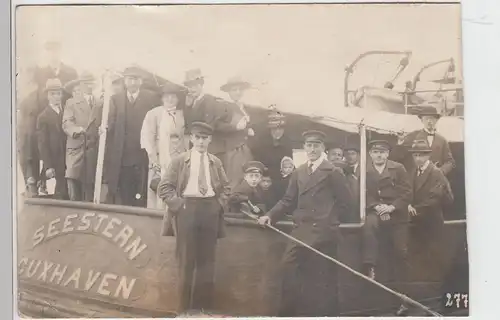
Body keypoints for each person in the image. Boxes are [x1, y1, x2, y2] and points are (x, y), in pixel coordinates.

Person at [258, 130, 352, 317]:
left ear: (323, 148)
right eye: (309, 145)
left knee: (322, 278)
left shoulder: (333, 171)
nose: (312, 149)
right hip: (301, 230)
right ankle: (288, 314)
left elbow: (346, 202)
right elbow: (287, 200)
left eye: (316, 145)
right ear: (304, 148)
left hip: (324, 233)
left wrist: (329, 221)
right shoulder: (299, 171)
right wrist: (270, 215)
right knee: (288, 268)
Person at [157, 122, 230, 313]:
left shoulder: (215, 161)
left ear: (210, 140)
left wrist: (218, 205)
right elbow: (164, 187)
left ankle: (202, 310)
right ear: (191, 139)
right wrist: (179, 206)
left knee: (207, 263)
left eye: (204, 138)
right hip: (187, 210)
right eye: (197, 137)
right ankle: (183, 311)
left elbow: (226, 188)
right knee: (186, 262)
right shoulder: (179, 160)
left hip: (210, 210)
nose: (201, 142)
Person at [362, 140, 412, 316]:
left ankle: (404, 298)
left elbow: (407, 192)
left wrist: (391, 207)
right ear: (370, 154)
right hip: (377, 212)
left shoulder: (398, 168)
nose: (379, 155)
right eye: (375, 152)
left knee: (400, 253)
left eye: (383, 152)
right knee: (369, 226)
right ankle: (370, 266)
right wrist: (376, 207)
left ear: (388, 154)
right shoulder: (365, 170)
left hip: (397, 215)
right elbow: (363, 193)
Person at [102, 66, 161, 207]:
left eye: (136, 79)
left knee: (143, 191)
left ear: (141, 81)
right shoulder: (116, 99)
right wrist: (104, 129)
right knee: (125, 191)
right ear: (124, 81)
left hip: (143, 154)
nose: (133, 83)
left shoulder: (151, 98)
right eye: (130, 79)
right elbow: (111, 123)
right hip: (123, 155)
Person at [407, 140, 452, 282]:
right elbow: (407, 192)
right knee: (419, 257)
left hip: (432, 222)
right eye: (415, 155)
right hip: (417, 223)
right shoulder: (413, 171)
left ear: (428, 156)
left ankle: (435, 288)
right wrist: (407, 204)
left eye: (421, 155)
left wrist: (415, 208)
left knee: (434, 256)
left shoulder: (436, 173)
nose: (418, 158)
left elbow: (435, 199)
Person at [141, 83, 188, 209]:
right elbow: (147, 137)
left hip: (177, 157)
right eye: (167, 96)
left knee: (175, 187)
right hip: (159, 157)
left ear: (178, 99)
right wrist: (152, 157)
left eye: (173, 96)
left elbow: (185, 138)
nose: (170, 99)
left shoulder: (182, 115)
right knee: (158, 186)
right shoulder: (153, 114)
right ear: (162, 98)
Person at [62, 71, 101, 201]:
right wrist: (76, 130)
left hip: (92, 147)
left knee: (90, 183)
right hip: (77, 146)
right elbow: (67, 122)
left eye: (91, 83)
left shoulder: (100, 103)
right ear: (81, 84)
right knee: (73, 179)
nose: (89, 86)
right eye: (86, 83)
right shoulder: (72, 102)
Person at [182, 69, 237, 161]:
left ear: (201, 85)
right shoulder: (192, 102)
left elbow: (209, 125)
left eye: (195, 85)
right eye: (189, 86)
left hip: (209, 148)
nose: (192, 89)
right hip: (198, 146)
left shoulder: (209, 100)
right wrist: (188, 107)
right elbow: (188, 125)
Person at [391, 106, 455, 176]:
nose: (429, 121)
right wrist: (400, 142)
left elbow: (450, 161)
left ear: (436, 120)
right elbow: (397, 156)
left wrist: (441, 171)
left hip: (434, 179)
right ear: (422, 120)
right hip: (416, 178)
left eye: (432, 118)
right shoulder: (413, 136)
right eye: (426, 118)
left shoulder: (442, 140)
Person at [35, 79, 68, 199]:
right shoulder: (43, 117)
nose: (56, 97)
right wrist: (48, 166)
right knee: (57, 194)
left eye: (58, 94)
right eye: (53, 94)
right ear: (48, 96)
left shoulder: (67, 111)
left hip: (68, 160)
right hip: (54, 162)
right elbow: (42, 144)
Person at [219, 76, 255, 188]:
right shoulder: (224, 106)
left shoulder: (243, 106)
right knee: (234, 180)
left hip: (245, 149)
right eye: (234, 90)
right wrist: (235, 127)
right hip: (233, 150)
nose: (238, 92)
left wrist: (247, 129)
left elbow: (245, 125)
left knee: (247, 179)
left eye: (240, 89)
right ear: (229, 92)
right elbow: (217, 126)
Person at [251, 110, 293, 187]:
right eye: (274, 129)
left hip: (281, 179)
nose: (277, 132)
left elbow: (288, 164)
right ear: (270, 129)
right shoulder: (261, 142)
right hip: (264, 179)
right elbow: (256, 164)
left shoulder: (287, 142)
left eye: (280, 129)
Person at [343, 142, 361, 223]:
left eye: (353, 154)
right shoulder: (341, 168)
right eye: (347, 154)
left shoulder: (364, 169)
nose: (350, 156)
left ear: (358, 155)